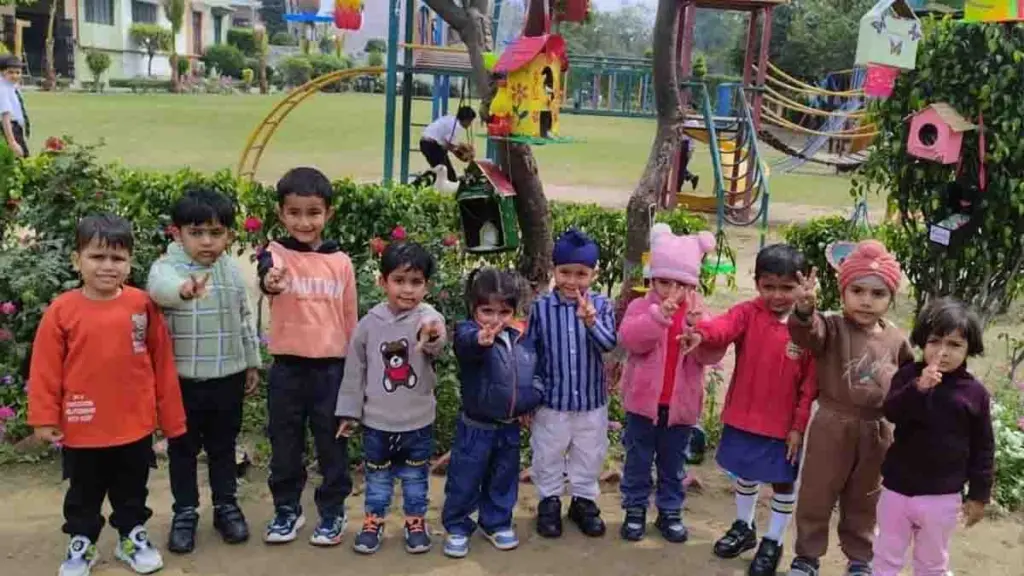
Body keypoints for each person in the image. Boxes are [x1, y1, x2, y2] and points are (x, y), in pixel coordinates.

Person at [27, 213, 186, 576]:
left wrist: (172, 420)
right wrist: (44, 417)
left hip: (134, 424)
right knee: (84, 492)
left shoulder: (142, 305)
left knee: (132, 489)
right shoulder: (62, 311)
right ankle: (82, 542)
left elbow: (162, 363)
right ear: (77, 260)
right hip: (82, 426)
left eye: (117, 258)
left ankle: (131, 536)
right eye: (97, 256)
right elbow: (45, 369)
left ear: (130, 262)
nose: (107, 266)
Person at [786, 239, 914, 576]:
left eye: (878, 293)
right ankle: (807, 556)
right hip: (832, 424)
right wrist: (804, 310)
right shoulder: (830, 327)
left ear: (891, 298)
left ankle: (860, 559)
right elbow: (805, 334)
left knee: (865, 498)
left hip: (877, 431)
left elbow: (909, 385)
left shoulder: (897, 340)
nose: (866, 301)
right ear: (843, 292)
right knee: (817, 493)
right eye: (857, 290)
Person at [687, 243, 817, 576]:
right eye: (768, 286)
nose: (777, 295)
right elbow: (723, 326)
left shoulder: (811, 329)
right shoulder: (747, 312)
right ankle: (744, 526)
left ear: (804, 284)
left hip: (783, 426)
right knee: (745, 473)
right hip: (744, 416)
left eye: (787, 287)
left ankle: (773, 540)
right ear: (756, 282)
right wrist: (701, 332)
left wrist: (798, 427)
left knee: (783, 482)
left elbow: (810, 386)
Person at [147, 188, 262, 554]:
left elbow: (244, 318)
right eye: (196, 233)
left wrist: (251, 362)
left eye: (216, 232)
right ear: (177, 233)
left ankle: (226, 507)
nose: (207, 242)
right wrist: (184, 290)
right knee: (182, 450)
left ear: (229, 234)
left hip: (228, 378)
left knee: (223, 448)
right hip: (182, 382)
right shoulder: (167, 267)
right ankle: (185, 513)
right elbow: (159, 290)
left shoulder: (231, 270)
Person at [256, 167, 357, 546]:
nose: (304, 222)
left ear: (328, 213)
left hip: (331, 371)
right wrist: (270, 281)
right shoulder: (276, 253)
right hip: (287, 370)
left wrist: (354, 378)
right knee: (285, 445)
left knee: (332, 446)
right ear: (281, 213)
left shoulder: (340, 262)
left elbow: (350, 319)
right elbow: (268, 274)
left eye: (313, 212)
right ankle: (287, 509)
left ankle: (332, 511)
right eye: (294, 213)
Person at [336, 241, 447, 555]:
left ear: (427, 286)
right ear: (382, 282)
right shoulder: (368, 324)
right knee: (378, 478)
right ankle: (373, 521)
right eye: (399, 280)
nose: (408, 289)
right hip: (377, 423)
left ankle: (415, 522)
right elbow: (354, 371)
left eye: (416, 282)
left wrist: (431, 335)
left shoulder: (428, 317)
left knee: (415, 478)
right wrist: (349, 413)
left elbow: (437, 340)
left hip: (417, 423)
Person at [617, 225, 725, 544]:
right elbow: (631, 340)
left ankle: (670, 510)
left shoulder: (699, 313)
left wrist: (699, 332)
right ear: (652, 279)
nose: (672, 291)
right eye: (665, 282)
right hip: (642, 407)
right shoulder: (641, 307)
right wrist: (658, 317)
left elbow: (712, 354)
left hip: (680, 409)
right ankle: (635, 509)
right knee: (637, 461)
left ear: (693, 284)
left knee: (673, 464)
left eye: (682, 284)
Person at [872, 298, 994, 576]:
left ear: (969, 348)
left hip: (942, 496)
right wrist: (919, 388)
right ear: (922, 342)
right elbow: (891, 412)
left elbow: (983, 447)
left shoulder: (974, 393)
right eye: (934, 341)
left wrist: (979, 495)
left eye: (954, 345)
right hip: (897, 489)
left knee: (932, 563)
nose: (942, 352)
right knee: (886, 557)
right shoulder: (908, 376)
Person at [441, 268, 544, 559]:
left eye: (504, 311)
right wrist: (480, 340)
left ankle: (495, 522)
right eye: (487, 310)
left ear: (513, 310)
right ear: (473, 308)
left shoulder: (522, 337)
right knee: (464, 478)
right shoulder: (468, 332)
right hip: (476, 427)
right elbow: (465, 345)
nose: (495, 319)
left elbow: (535, 372)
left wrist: (532, 399)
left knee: (504, 477)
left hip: (509, 427)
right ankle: (458, 526)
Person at [529, 228, 618, 539]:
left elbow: (609, 345)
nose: (572, 281)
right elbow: (531, 352)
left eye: (581, 274)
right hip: (552, 401)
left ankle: (583, 502)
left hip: (591, 402)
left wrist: (591, 322)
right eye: (565, 272)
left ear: (594, 274)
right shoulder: (540, 308)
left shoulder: (602, 306)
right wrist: (532, 392)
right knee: (548, 452)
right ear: (554, 270)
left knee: (589, 453)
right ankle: (549, 501)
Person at [420, 106, 476, 182]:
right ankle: (419, 182)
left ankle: (423, 181)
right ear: (466, 120)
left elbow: (447, 142)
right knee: (447, 175)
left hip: (427, 142)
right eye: (470, 121)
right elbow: (448, 146)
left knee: (442, 171)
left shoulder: (451, 119)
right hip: (432, 145)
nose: (470, 124)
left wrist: (461, 148)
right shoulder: (456, 126)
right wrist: (464, 155)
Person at [0, 54, 29, 158]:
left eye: (18, 72)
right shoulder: (3, 90)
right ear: (2, 72)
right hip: (10, 129)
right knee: (21, 159)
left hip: (16, 129)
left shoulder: (12, 86)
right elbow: (5, 118)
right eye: (10, 72)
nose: (15, 76)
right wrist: (12, 142)